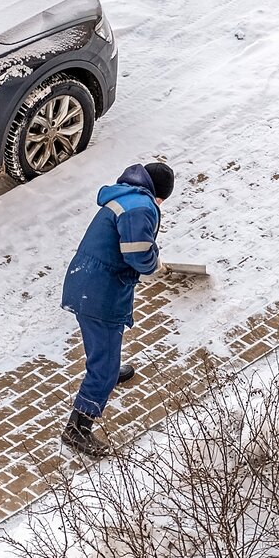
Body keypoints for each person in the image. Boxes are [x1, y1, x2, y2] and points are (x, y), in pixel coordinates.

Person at [60, 161, 176, 456]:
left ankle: (107, 371)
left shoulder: (125, 196)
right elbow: (138, 254)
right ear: (158, 194)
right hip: (101, 292)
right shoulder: (142, 207)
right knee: (105, 363)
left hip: (84, 281)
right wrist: (155, 262)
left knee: (101, 344)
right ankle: (78, 429)